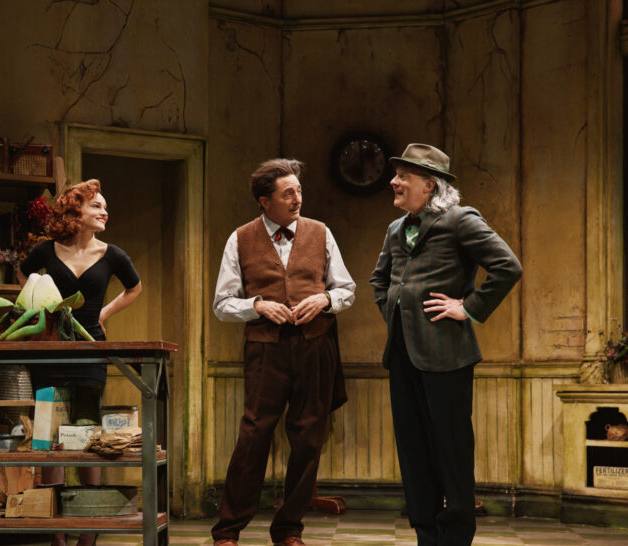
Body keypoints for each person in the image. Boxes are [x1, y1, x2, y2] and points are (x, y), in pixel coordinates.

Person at [370, 143, 521, 545]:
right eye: (396, 174)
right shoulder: (396, 228)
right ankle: (426, 535)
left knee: (451, 451)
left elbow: (507, 266)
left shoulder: (460, 220)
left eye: (403, 176)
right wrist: (395, 311)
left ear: (430, 184)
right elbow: (379, 279)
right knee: (413, 450)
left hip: (447, 355)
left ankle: (454, 538)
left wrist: (468, 308)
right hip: (402, 353)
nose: (394, 182)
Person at [211, 158, 354, 546]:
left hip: (315, 346)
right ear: (265, 201)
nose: (297, 199)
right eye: (288, 193)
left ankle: (289, 528)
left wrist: (325, 300)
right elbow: (222, 304)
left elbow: (346, 289)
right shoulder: (240, 238)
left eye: (299, 191)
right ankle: (228, 530)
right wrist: (256, 305)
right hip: (266, 351)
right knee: (253, 436)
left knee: (308, 439)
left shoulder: (320, 232)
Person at [18, 179, 142, 546]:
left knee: (89, 438)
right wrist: (39, 306)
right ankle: (55, 535)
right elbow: (23, 273)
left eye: (105, 206)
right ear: (76, 212)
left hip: (90, 351)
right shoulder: (46, 251)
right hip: (49, 352)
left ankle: (89, 533)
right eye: (96, 206)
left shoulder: (113, 254)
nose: (105, 211)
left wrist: (104, 313)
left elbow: (134, 288)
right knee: (50, 439)